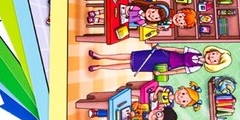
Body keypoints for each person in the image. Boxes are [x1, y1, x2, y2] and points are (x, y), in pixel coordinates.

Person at [87, 44, 232, 75]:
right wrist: (161, 47)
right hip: (162, 55)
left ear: (213, 65)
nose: (212, 57)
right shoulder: (194, 51)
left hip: (163, 65)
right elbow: (176, 49)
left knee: (130, 65)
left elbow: (176, 72)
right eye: (214, 54)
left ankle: (100, 67)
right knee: (131, 56)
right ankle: (100, 56)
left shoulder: (195, 68)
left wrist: (162, 73)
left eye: (215, 60)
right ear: (212, 51)